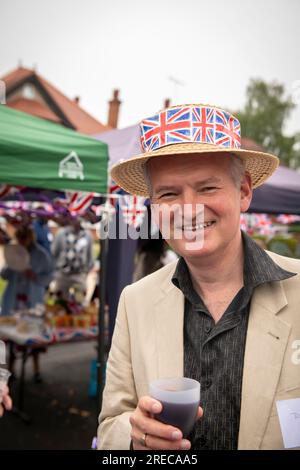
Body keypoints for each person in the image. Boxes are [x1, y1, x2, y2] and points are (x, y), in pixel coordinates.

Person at [97, 103, 300, 450]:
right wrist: (135, 437)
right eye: (168, 193)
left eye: (207, 188)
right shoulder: (135, 301)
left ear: (244, 192)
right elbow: (110, 425)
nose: (188, 208)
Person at [1, 225, 54, 382]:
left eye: (24, 238)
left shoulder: (41, 254)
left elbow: (50, 275)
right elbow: (4, 274)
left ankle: (36, 370)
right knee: (12, 337)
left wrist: (35, 277)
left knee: (33, 336)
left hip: (32, 301)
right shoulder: (14, 251)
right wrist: (11, 265)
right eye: (20, 238)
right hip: (14, 301)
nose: (22, 241)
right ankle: (11, 370)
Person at [52, 218, 94, 299]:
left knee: (80, 300)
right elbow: (54, 252)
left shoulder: (87, 235)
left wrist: (86, 272)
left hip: (79, 275)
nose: (77, 220)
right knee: (59, 301)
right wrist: (56, 271)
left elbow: (90, 256)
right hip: (62, 275)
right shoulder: (62, 233)